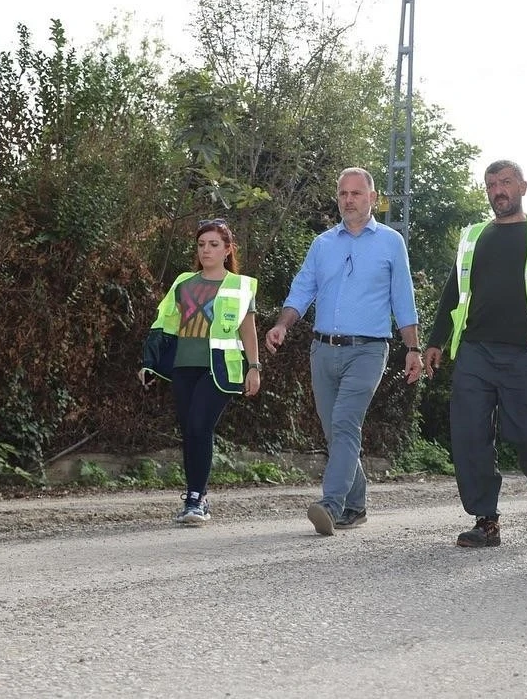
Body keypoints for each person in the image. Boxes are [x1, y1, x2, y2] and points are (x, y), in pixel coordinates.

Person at [264, 167, 422, 536]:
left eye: (356, 193)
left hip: (368, 350)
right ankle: (356, 504)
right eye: (343, 194)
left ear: (372, 198)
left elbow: (403, 297)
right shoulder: (323, 244)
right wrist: (282, 325)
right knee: (335, 432)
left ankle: (330, 505)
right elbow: (303, 289)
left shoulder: (390, 242)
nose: (348, 200)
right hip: (323, 349)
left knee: (345, 424)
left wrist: (412, 347)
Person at [422, 159, 527, 548]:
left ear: (523, 186)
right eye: (491, 185)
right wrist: (436, 340)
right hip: (476, 350)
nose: (498, 190)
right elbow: (454, 291)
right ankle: (486, 521)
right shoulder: (474, 237)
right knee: (469, 436)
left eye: (505, 182)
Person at [140, 218, 262, 524]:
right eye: (201, 244)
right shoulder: (183, 283)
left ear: (227, 250)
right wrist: (149, 362)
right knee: (189, 431)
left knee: (198, 425)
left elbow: (248, 330)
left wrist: (254, 367)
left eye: (213, 244)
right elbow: (164, 325)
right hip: (183, 367)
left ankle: (197, 498)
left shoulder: (240, 285)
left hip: (220, 369)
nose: (206, 250)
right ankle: (194, 497)